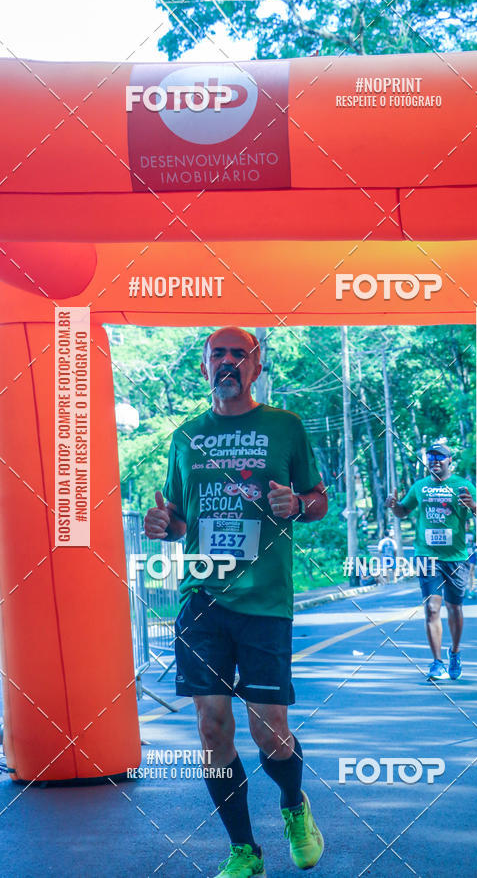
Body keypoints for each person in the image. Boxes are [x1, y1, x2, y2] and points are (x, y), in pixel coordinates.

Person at [144, 327, 327, 878]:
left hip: (265, 601)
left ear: (255, 366)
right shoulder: (186, 436)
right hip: (201, 598)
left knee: (268, 728)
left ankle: (294, 805)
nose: (227, 362)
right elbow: (178, 519)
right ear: (204, 368)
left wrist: (295, 502)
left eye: (237, 354)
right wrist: (163, 523)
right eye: (216, 354)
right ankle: (245, 851)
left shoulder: (285, 427)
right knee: (211, 729)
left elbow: (318, 501)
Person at [385, 443, 477, 681]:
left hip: (456, 557)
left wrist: (472, 506)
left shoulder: (463, 485)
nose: (435, 460)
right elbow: (403, 512)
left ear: (450, 460)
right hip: (426, 555)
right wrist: (393, 506)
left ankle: (456, 652)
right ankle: (437, 663)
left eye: (440, 456)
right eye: (430, 457)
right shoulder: (419, 487)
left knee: (454, 608)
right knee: (431, 609)